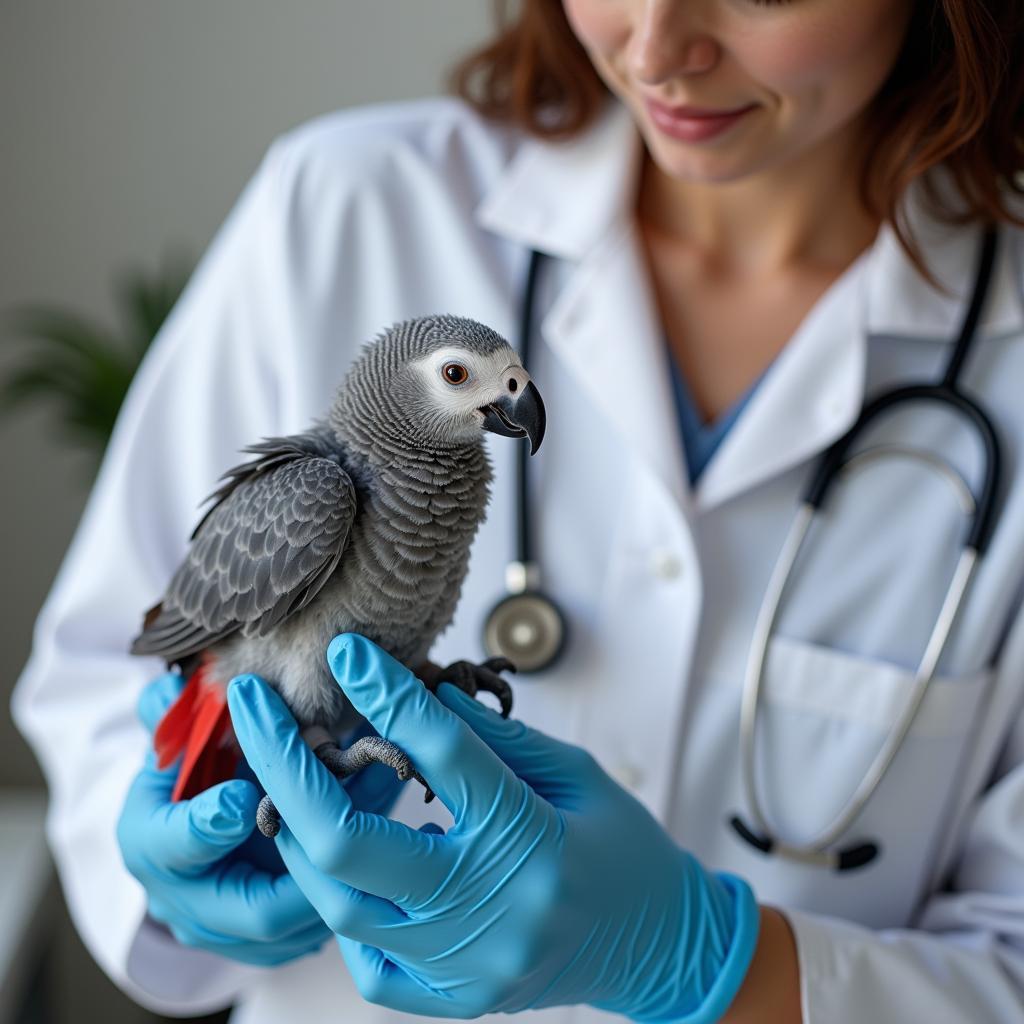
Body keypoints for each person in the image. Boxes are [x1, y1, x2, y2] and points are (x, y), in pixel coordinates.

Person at [12, 0, 1024, 1021]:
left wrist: (712, 962)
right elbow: (106, 672)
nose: (659, 49)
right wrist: (177, 877)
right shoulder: (349, 201)